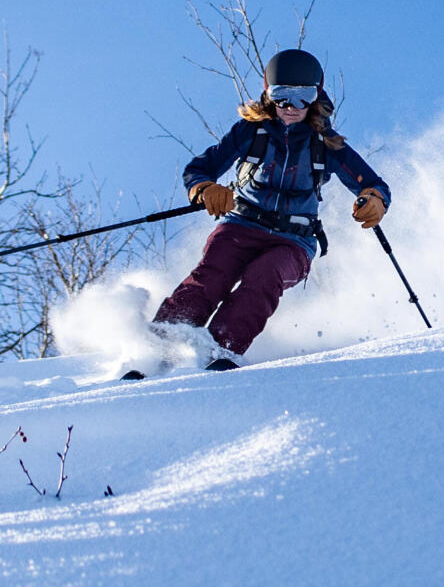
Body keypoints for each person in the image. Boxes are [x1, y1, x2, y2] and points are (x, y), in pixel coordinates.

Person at [152, 48, 390, 369]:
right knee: (214, 272)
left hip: (294, 240)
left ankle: (221, 351)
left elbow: (372, 183)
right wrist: (204, 189)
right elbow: (200, 168)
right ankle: (163, 342)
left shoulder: (326, 143)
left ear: (316, 96)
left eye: (303, 97)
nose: (292, 107)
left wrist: (373, 199)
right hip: (242, 225)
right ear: (268, 94)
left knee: (264, 276)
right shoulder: (251, 132)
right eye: (282, 97)